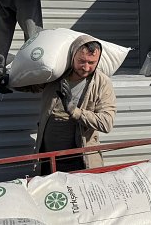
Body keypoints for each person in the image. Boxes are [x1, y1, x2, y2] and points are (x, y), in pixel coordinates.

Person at [19, 35, 116, 174]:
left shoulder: (102, 83)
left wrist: (73, 110)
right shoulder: (56, 74)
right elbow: (32, 85)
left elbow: (107, 123)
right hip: (48, 158)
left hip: (80, 161)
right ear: (73, 55)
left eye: (91, 62)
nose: (86, 67)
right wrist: (10, 84)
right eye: (81, 61)